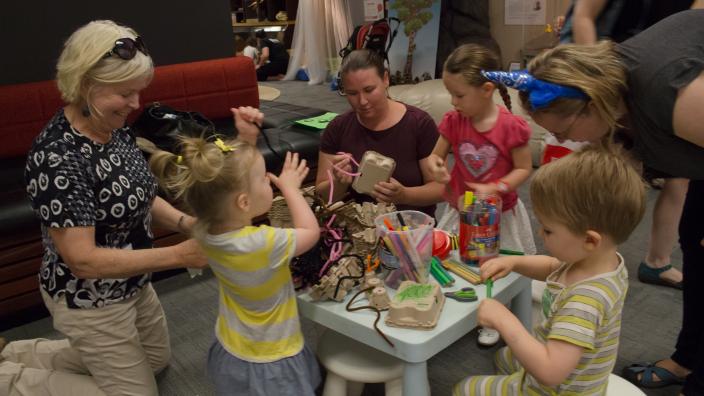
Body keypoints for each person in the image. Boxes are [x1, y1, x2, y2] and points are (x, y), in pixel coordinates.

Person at [483, 9, 704, 394]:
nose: (567, 143)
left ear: (591, 105)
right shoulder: (615, 98)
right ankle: (689, 358)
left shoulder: (673, 93)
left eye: (564, 132)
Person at [0, 20, 209, 395]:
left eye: (138, 92)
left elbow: (140, 197)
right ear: (84, 86)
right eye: (125, 93)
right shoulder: (58, 157)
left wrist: (187, 223)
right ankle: (10, 379)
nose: (136, 104)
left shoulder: (113, 127)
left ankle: (18, 351)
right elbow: (83, 260)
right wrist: (179, 254)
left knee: (157, 362)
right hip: (88, 296)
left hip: (133, 282)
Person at [454, 146, 646, 395]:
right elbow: (554, 268)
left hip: (554, 388)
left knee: (464, 389)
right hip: (574, 366)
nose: (539, 233)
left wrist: (503, 319)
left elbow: (550, 372)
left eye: (548, 229)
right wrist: (515, 263)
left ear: (590, 240)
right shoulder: (602, 261)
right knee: (505, 357)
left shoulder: (584, 302)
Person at [150, 133, 321, 395]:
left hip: (231, 348)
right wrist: (290, 189)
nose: (269, 181)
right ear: (243, 202)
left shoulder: (206, 233)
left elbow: (225, 182)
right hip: (274, 356)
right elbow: (310, 231)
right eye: (264, 178)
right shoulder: (264, 244)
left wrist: (246, 141)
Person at [428, 43, 536, 256]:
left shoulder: (511, 127)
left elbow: (524, 168)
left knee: (504, 268)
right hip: (461, 208)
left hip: (499, 214)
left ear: (487, 89)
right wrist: (436, 166)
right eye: (450, 94)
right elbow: (434, 156)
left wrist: (497, 187)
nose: (453, 101)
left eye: (459, 95)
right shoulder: (454, 121)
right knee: (455, 262)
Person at [315, 49, 444, 216]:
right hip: (358, 231)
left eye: (369, 90)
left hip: (410, 229)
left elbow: (440, 189)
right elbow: (321, 196)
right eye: (352, 93)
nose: (362, 101)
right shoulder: (338, 128)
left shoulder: (419, 124)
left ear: (385, 79)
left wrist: (404, 195)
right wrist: (338, 182)